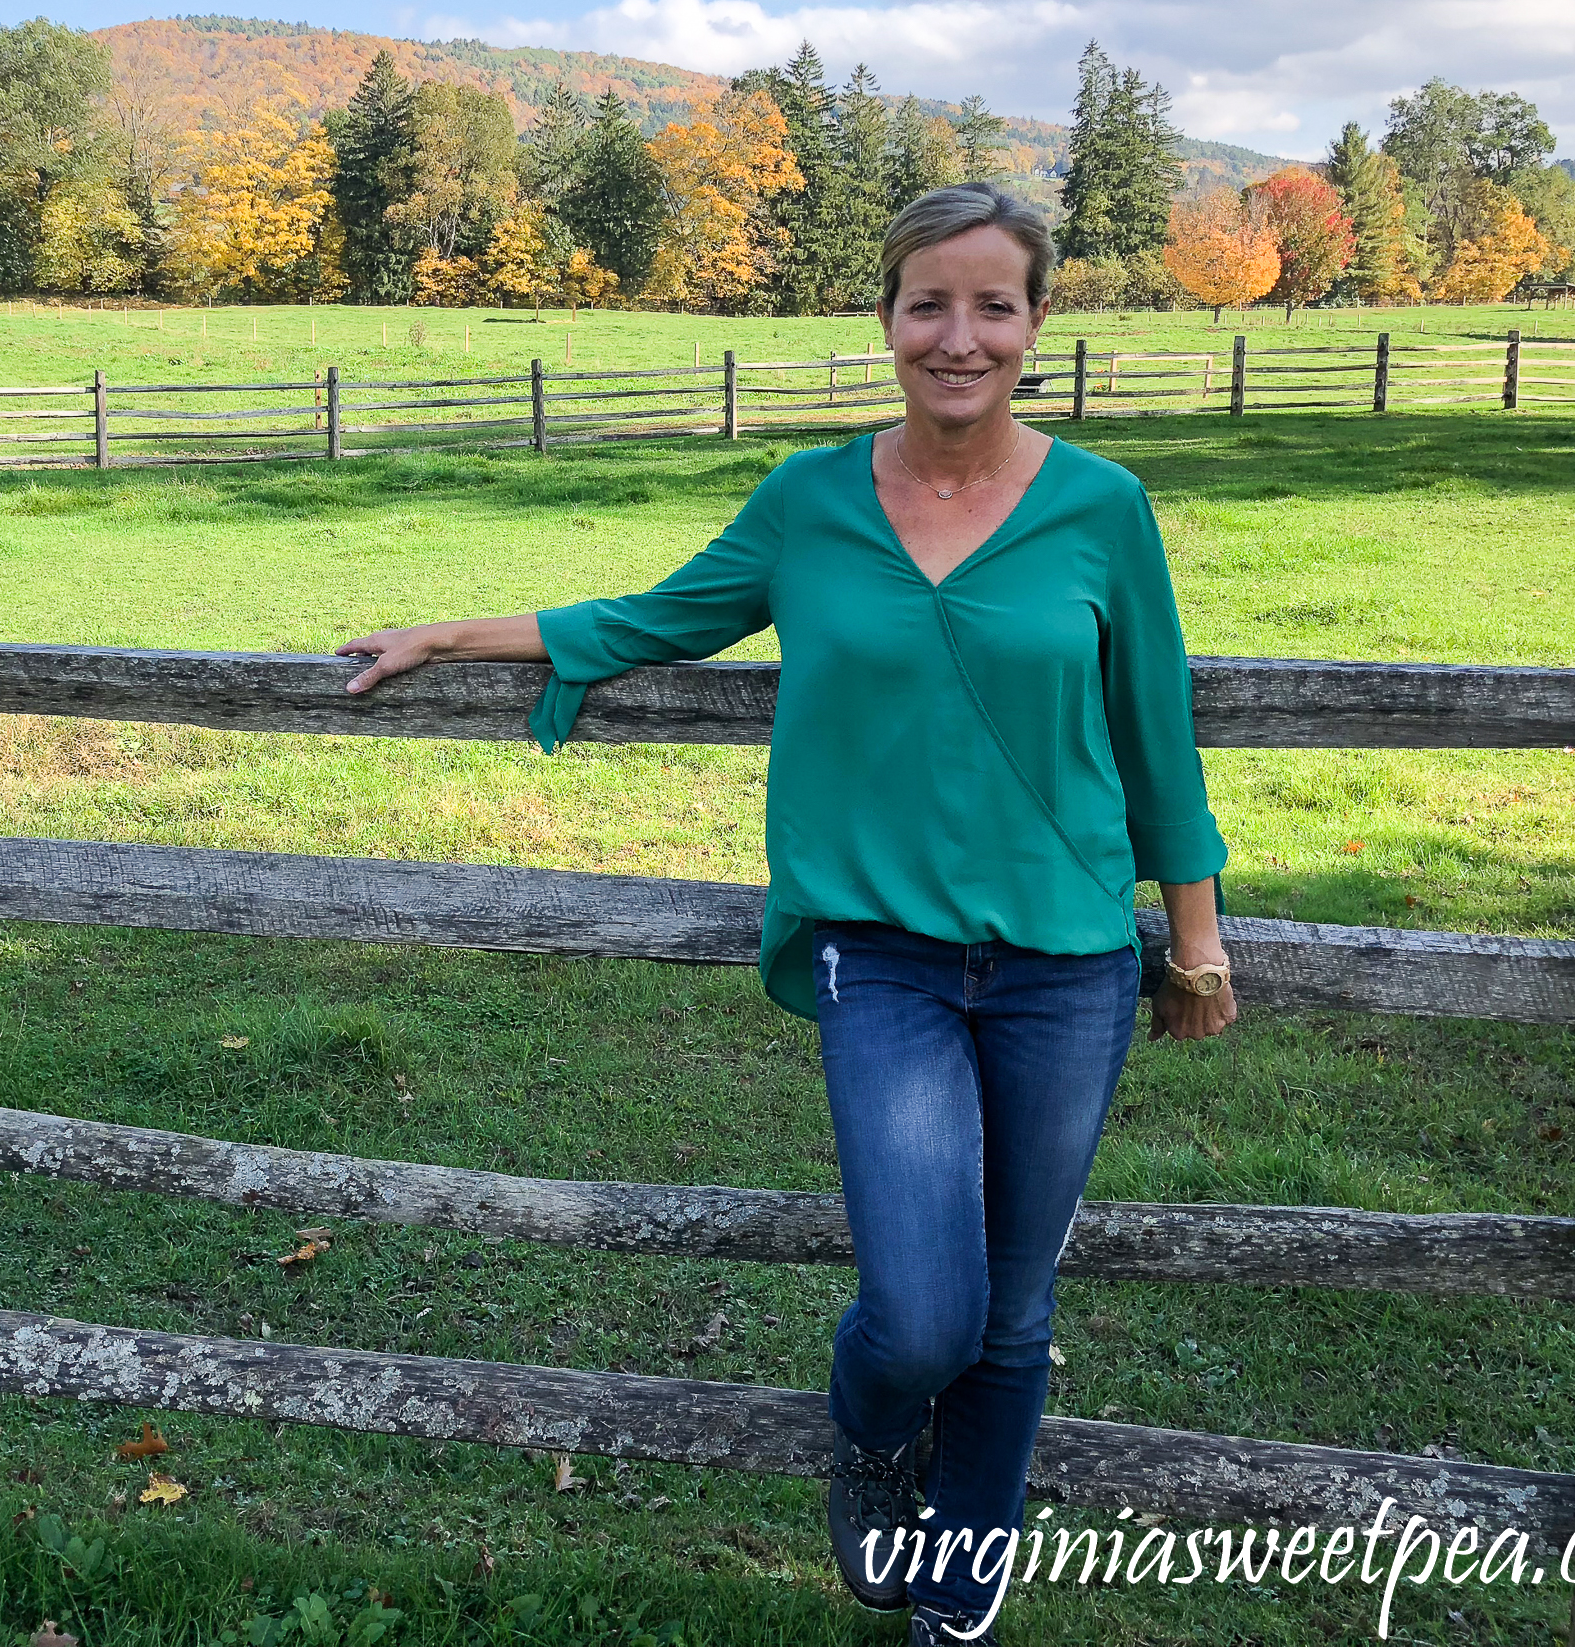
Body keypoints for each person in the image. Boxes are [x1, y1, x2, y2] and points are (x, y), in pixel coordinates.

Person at [336, 182, 1235, 1644]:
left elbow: (1155, 738)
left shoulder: (1099, 510)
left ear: (1034, 322)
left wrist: (1191, 941)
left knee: (1012, 1314)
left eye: (990, 306)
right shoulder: (809, 504)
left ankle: (967, 1547)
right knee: (924, 1314)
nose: (959, 337)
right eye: (927, 304)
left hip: (1064, 961)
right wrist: (449, 630)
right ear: (883, 321)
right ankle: (875, 1442)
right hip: (871, 957)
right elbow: (643, 621)